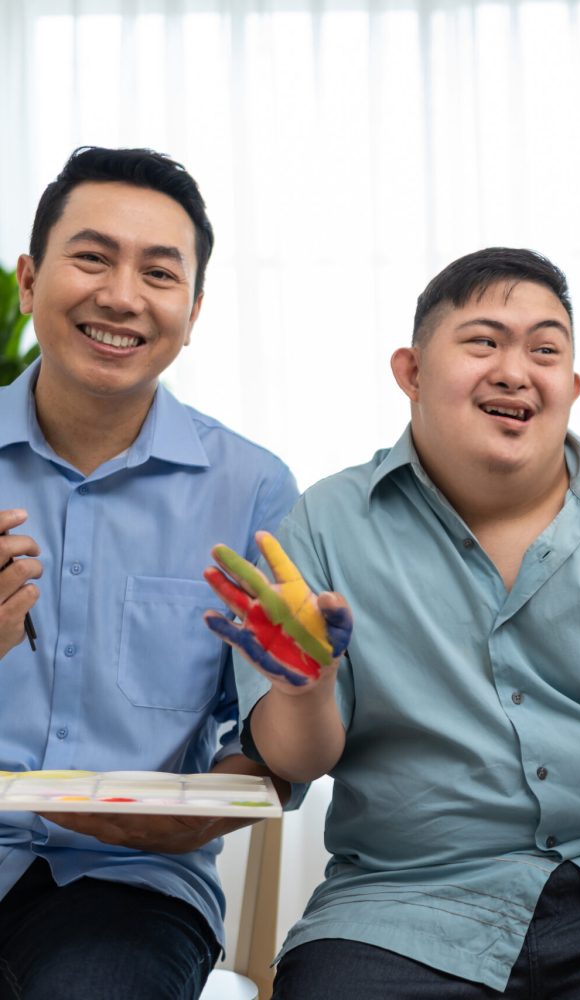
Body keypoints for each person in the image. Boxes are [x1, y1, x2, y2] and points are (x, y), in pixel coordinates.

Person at [205, 247, 580, 998]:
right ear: (411, 372)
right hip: (401, 908)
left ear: (571, 387)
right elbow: (298, 759)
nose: (516, 370)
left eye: (544, 350)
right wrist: (305, 689)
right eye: (483, 342)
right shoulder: (327, 523)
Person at [0, 146, 298, 1000]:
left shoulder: (254, 490)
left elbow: (271, 735)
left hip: (132, 887)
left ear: (193, 310)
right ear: (29, 280)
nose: (121, 296)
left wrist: (202, 805)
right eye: (91, 257)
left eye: (158, 273)